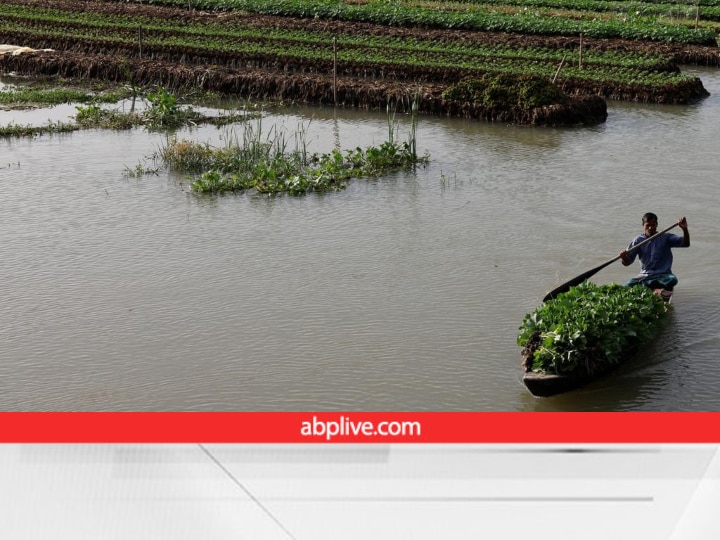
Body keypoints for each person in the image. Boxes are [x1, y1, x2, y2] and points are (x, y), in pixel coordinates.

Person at [619, 212, 690, 291]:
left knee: (672, 280)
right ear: (643, 225)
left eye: (653, 225)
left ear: (656, 225)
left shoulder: (666, 237)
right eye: (647, 225)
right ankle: (651, 285)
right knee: (628, 285)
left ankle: (650, 286)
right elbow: (627, 263)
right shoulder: (638, 240)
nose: (650, 228)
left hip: (664, 275)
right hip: (645, 276)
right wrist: (624, 257)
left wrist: (684, 229)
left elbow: (686, 244)